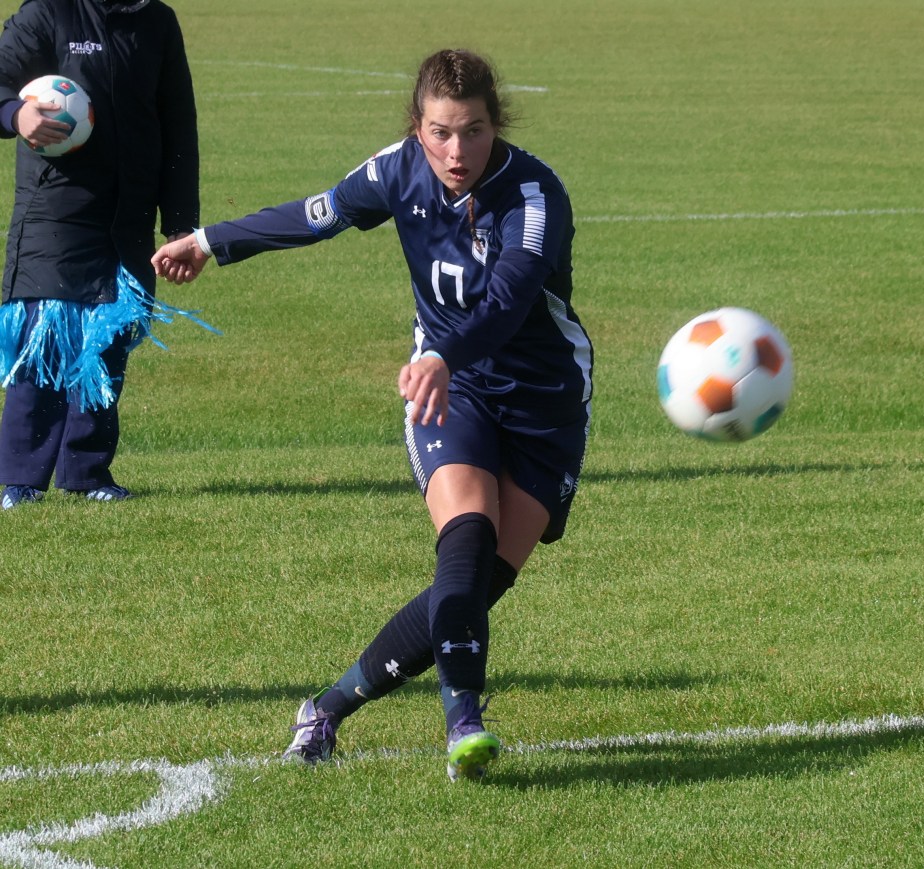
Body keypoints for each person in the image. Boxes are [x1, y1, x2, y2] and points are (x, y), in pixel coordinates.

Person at [152, 48, 593, 781]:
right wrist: (209, 241)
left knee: (482, 588)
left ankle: (324, 709)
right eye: (442, 132)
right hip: (448, 390)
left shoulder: (535, 196)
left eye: (475, 131)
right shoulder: (397, 169)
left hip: (545, 403)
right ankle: (465, 723)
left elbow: (510, 299)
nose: (458, 151)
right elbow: (315, 214)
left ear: (497, 124)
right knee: (466, 538)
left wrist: (447, 351)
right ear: (418, 128)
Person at [0, 0, 202, 509]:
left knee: (107, 339)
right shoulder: (48, 13)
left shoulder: (157, 21)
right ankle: (21, 478)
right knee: (46, 336)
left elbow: (178, 123)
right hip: (56, 209)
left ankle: (87, 472)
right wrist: (16, 112)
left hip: (128, 213)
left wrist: (180, 223)